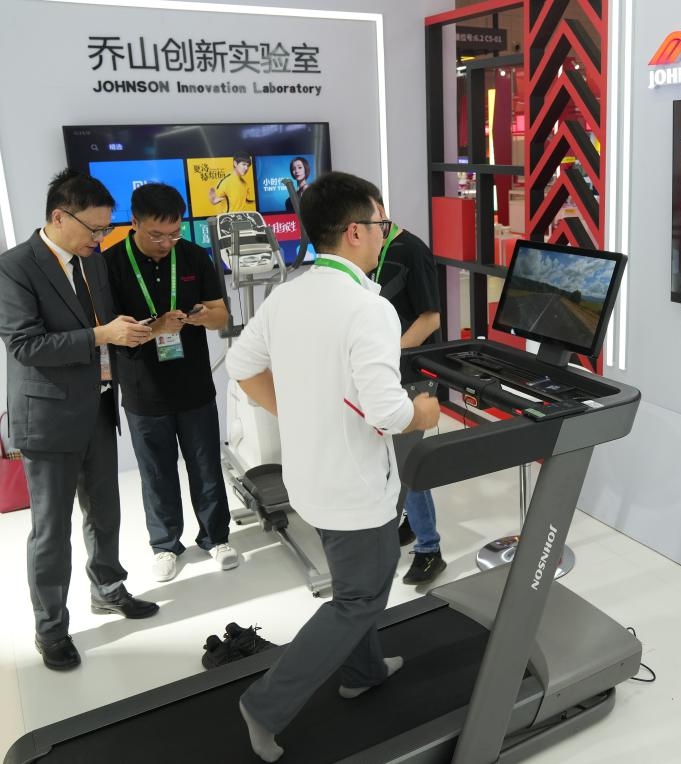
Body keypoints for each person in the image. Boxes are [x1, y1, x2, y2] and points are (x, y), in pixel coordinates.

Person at [226, 171, 440, 762]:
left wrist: (294, 412)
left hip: (312, 477)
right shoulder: (367, 309)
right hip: (353, 486)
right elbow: (388, 411)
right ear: (353, 232)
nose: (384, 234)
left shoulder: (288, 293)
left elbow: (242, 364)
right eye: (380, 224)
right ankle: (265, 704)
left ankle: (364, 672)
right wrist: (423, 412)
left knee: (359, 585)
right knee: (358, 599)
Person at [0, 169, 159, 671]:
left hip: (97, 406)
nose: (100, 238)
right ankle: (51, 628)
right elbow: (25, 345)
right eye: (93, 229)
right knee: (50, 529)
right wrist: (100, 336)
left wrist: (132, 334)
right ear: (57, 217)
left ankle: (108, 587)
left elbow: (103, 329)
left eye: (104, 230)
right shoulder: (14, 267)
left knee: (105, 510)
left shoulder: (92, 264)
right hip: (47, 418)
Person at [103, 183, 238, 583]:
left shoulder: (194, 255)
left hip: (194, 384)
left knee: (206, 466)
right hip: (143, 389)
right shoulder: (111, 264)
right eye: (156, 235)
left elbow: (221, 315)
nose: (166, 243)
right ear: (135, 223)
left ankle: (216, 537)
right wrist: (157, 326)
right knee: (156, 472)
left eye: (173, 233)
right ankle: (165, 545)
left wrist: (197, 317)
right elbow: (110, 332)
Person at [360, 182, 446, 586]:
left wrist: (390, 355)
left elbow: (431, 319)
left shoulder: (411, 250)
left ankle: (430, 550)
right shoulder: (363, 252)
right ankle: (411, 523)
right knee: (389, 459)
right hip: (380, 369)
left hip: (410, 371)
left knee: (408, 461)